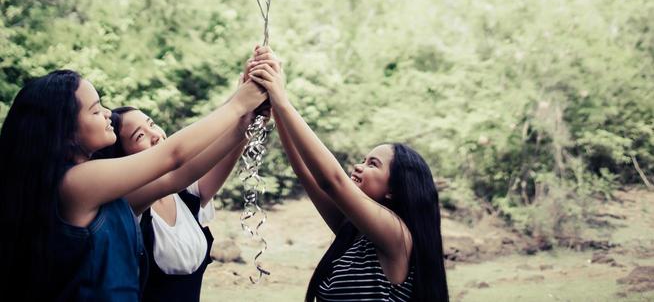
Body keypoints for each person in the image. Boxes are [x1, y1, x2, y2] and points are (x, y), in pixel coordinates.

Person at [0, 68, 265, 301]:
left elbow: (178, 177)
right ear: (66, 133)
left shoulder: (100, 187)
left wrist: (245, 120)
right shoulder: (75, 183)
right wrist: (238, 104)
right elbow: (173, 157)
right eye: (95, 110)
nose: (107, 113)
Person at [248, 47, 449, 302]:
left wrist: (283, 99)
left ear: (394, 189)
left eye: (373, 164)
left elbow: (332, 181)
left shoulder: (396, 234)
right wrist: (276, 106)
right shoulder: (353, 230)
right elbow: (304, 170)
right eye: (363, 160)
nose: (358, 166)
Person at [104, 101, 248, 302]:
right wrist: (239, 110)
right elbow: (178, 159)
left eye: (152, 124)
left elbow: (227, 151)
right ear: (122, 157)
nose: (156, 135)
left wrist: (248, 119)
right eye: (140, 136)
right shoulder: (128, 205)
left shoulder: (185, 194)